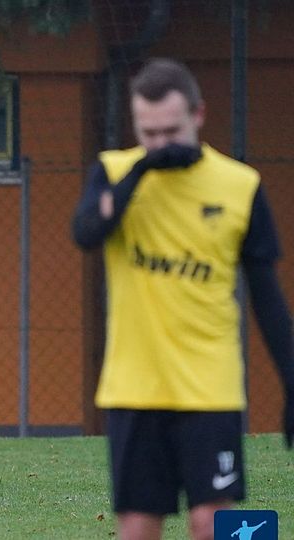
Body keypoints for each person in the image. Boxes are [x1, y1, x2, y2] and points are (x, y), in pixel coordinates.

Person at [71, 58, 293, 540]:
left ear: (199, 115)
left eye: (171, 130)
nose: (159, 143)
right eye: (148, 133)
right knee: (137, 526)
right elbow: (87, 233)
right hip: (134, 386)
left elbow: (268, 298)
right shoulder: (114, 173)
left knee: (215, 523)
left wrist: (292, 382)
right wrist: (143, 171)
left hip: (210, 386)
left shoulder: (240, 185)